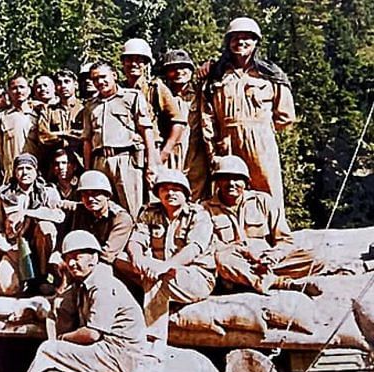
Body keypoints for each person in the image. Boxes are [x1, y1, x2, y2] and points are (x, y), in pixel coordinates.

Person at [9, 231, 155, 372]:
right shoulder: (84, 282)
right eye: (67, 258)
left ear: (94, 258)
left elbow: (92, 334)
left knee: (48, 349)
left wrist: (62, 338)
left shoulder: (102, 285)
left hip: (120, 357)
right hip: (108, 353)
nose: (71, 263)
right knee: (55, 371)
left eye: (77, 257)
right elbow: (59, 302)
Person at [203, 17, 296, 210]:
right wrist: (212, 146)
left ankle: (277, 234)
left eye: (247, 38)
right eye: (235, 38)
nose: (241, 42)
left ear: (256, 43)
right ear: (228, 43)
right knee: (228, 188)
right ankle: (234, 235)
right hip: (227, 140)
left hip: (261, 139)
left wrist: (262, 130)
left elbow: (286, 115)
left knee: (267, 186)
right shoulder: (217, 74)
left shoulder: (270, 74)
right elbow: (208, 115)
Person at [202, 156, 322, 295]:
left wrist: (271, 257)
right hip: (235, 261)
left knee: (315, 259)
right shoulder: (205, 209)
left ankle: (252, 279)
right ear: (217, 182)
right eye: (225, 178)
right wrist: (244, 252)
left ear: (246, 182)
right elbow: (209, 247)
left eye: (237, 178)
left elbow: (285, 240)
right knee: (221, 260)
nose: (231, 183)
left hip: (266, 260)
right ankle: (282, 283)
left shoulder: (262, 201)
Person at [122, 169, 215, 346]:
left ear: (185, 193)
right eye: (164, 189)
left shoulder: (199, 215)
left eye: (175, 189)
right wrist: (138, 257)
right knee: (120, 258)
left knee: (158, 277)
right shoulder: (150, 212)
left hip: (197, 276)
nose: (170, 193)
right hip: (159, 268)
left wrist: (164, 266)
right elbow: (136, 240)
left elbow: (194, 248)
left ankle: (153, 340)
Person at [82, 60, 158, 218]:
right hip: (100, 161)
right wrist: (88, 171)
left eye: (103, 77)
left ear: (114, 76)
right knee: (103, 209)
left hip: (126, 159)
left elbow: (147, 132)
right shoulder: (90, 106)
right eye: (95, 79)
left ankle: (135, 241)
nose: (99, 82)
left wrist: (151, 165)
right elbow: (87, 141)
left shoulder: (131, 97)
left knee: (132, 208)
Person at [0, 154, 65, 295]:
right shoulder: (3, 195)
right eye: (20, 169)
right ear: (14, 172)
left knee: (45, 227)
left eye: (29, 168)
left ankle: (42, 278)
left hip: (43, 251)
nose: (25, 172)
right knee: (8, 288)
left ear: (36, 171)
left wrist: (26, 213)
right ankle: (24, 281)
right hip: (15, 249)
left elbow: (59, 216)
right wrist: (8, 248)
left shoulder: (47, 192)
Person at [120, 39, 187, 170]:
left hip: (151, 150)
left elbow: (178, 121)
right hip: (125, 152)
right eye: (129, 59)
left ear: (146, 64)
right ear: (123, 63)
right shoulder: (119, 90)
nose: (133, 64)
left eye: (139, 60)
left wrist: (165, 153)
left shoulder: (155, 88)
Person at [161, 49, 210, 201]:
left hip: (195, 151)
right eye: (173, 68)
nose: (179, 72)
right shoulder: (160, 93)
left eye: (184, 67)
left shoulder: (201, 91)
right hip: (169, 151)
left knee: (196, 193)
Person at [71, 170, 134, 265]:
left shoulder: (121, 218)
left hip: (108, 264)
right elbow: (65, 205)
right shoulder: (81, 210)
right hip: (85, 262)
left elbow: (108, 254)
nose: (90, 199)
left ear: (107, 195)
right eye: (85, 194)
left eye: (95, 193)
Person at [37, 69, 85, 175]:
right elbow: (44, 136)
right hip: (54, 164)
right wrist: (69, 135)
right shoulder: (48, 110)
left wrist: (59, 134)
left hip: (80, 162)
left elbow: (86, 135)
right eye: (59, 82)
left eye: (67, 82)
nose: (63, 86)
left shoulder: (85, 109)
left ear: (75, 85)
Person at [0, 75, 38, 181]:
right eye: (14, 88)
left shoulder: (39, 113)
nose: (18, 91)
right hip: (11, 175)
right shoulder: (0, 116)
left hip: (35, 173)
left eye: (22, 87)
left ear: (29, 90)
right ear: (8, 92)